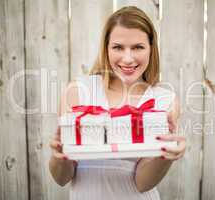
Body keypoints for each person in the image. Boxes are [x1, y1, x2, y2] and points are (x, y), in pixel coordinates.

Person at [49, 6, 186, 200]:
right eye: (118, 47)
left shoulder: (165, 101)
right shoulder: (77, 92)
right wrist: (58, 156)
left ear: (151, 49)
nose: (127, 58)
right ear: (106, 48)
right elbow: (61, 178)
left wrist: (166, 156)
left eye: (138, 47)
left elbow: (142, 183)